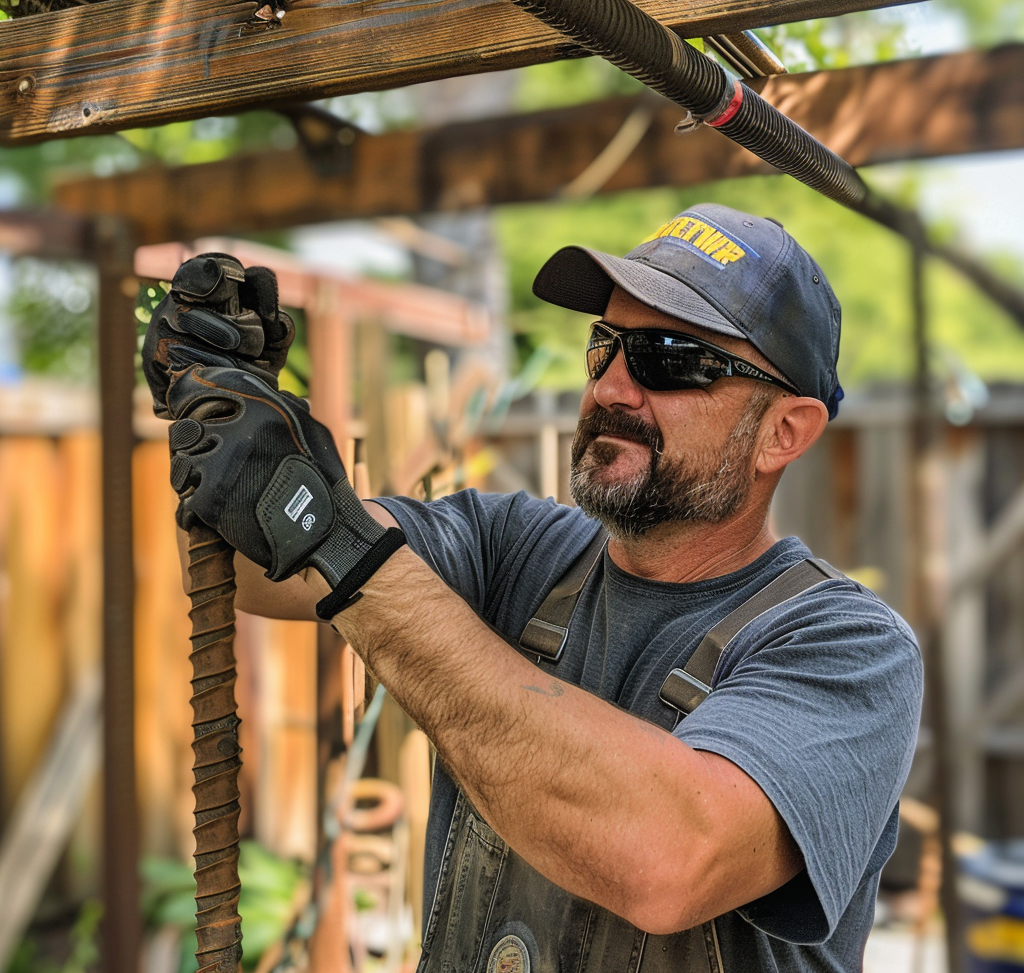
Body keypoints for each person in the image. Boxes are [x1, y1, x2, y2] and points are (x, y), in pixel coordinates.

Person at [147, 204, 923, 973]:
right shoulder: (512, 547)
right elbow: (259, 576)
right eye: (605, 347)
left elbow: (671, 858)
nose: (613, 388)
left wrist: (339, 542)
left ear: (784, 432)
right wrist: (212, 412)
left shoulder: (847, 647)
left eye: (667, 357)